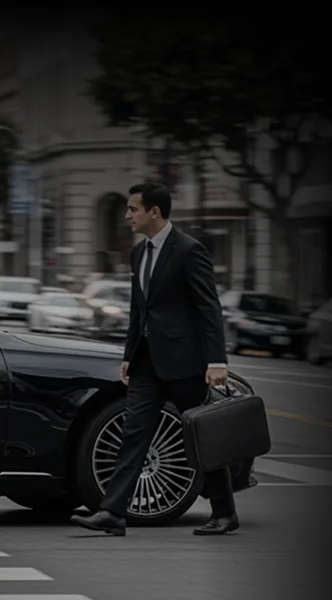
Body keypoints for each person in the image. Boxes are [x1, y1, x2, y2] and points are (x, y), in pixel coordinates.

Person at [71, 183, 241, 536]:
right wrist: (129, 355)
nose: (127, 216)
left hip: (185, 362)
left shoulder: (189, 250)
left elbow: (209, 307)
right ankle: (113, 512)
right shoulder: (138, 253)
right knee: (133, 434)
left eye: (133, 209)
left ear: (155, 212)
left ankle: (225, 513)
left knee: (200, 437)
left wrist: (216, 361)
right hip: (147, 362)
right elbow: (139, 310)